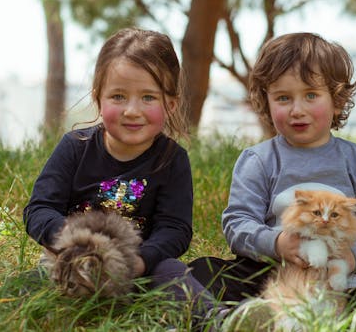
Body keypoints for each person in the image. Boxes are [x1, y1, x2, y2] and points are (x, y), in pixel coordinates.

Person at [189, 32, 356, 331]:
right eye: (283, 98)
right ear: (266, 101)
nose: (297, 109)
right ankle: (230, 320)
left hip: (337, 276)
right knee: (199, 272)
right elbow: (237, 221)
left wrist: (351, 257)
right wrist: (278, 242)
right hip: (266, 270)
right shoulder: (258, 159)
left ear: (336, 101)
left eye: (311, 95)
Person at [23, 27, 220, 330]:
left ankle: (220, 320)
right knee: (34, 281)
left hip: (140, 268)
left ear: (170, 103)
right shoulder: (75, 147)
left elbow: (175, 228)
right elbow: (38, 209)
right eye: (118, 96)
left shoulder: (173, 159)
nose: (132, 110)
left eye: (148, 97)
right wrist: (74, 245)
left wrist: (139, 261)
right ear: (97, 97)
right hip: (74, 261)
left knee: (174, 273)